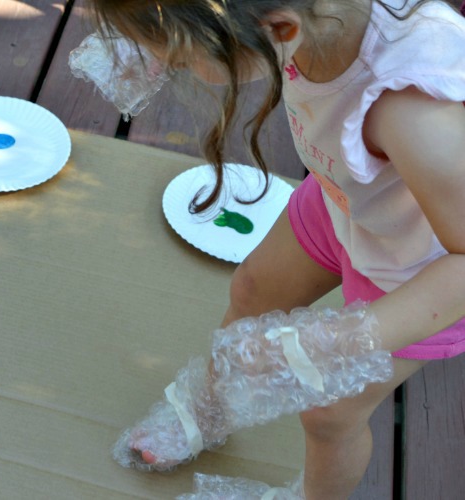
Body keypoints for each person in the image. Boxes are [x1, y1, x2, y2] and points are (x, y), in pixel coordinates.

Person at [85, 0, 465, 497]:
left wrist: (343, 340)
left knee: (329, 413)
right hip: (347, 197)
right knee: (252, 289)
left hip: (422, 268)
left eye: (179, 57)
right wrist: (154, 37)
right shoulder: (316, 18)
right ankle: (210, 407)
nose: (173, 66)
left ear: (279, 28)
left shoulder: (412, 113)